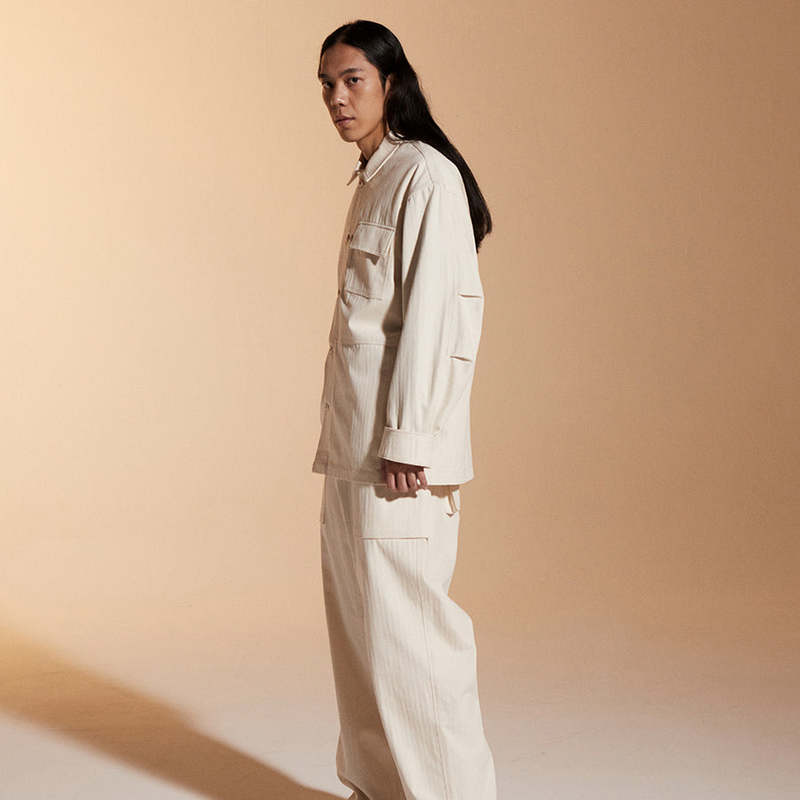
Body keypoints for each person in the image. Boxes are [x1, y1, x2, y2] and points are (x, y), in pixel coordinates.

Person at [312, 19, 496, 800]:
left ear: (391, 83)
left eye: (352, 79)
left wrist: (410, 438)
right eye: (327, 84)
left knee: (415, 646)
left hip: (399, 459)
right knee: (363, 639)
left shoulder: (426, 177)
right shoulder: (375, 177)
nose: (337, 97)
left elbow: (439, 319)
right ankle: (378, 790)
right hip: (354, 450)